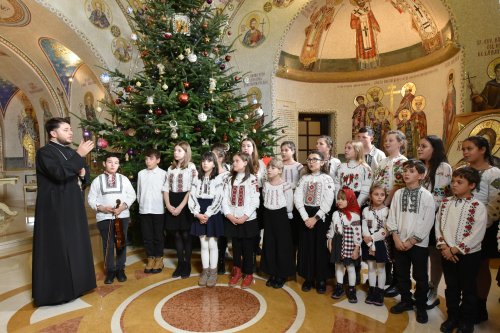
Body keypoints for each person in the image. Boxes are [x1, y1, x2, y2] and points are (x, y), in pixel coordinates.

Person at [32, 117, 96, 307]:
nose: (71, 133)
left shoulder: (69, 151)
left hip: (73, 206)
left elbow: (84, 176)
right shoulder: (44, 153)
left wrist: (84, 174)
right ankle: (59, 292)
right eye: (66, 129)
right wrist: (79, 155)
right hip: (55, 210)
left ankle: (80, 286)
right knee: (59, 247)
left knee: (76, 244)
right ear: (53, 133)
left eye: (70, 129)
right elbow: (59, 174)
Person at [435, 167, 487, 333]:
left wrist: (455, 249)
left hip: (468, 255)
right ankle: (452, 317)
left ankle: (467, 321)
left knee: (468, 288)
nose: (454, 185)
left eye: (459, 182)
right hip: (446, 252)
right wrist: (443, 246)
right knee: (451, 287)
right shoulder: (445, 203)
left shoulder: (478, 206)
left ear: (471, 185)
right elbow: (438, 226)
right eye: (453, 181)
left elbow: (477, 233)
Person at [387, 159, 435, 324]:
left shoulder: (427, 196)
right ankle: (406, 300)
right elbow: (392, 215)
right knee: (401, 274)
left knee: (420, 276)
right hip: (399, 241)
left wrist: (412, 240)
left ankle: (420, 305)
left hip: (418, 244)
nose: (407, 173)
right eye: (406, 170)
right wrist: (395, 237)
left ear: (421, 175)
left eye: (412, 171)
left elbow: (428, 221)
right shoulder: (399, 194)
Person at [461, 136, 500, 323]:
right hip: (462, 224)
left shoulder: (494, 174)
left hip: (485, 226)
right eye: (463, 149)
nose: (465, 152)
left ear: (483, 149)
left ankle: (480, 304)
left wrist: (481, 225)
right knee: (464, 266)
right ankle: (466, 301)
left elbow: (495, 203)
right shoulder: (462, 171)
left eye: (469, 148)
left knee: (481, 266)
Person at [88, 153, 136, 284]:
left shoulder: (124, 179)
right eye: (110, 162)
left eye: (116, 162)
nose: (113, 165)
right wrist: (102, 208)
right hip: (104, 217)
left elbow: (132, 195)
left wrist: (122, 208)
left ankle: (120, 269)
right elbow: (91, 199)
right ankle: (110, 271)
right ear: (104, 163)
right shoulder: (98, 180)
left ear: (119, 165)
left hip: (122, 216)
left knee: (121, 243)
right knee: (108, 245)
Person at [417, 135, 452, 309]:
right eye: (419, 146)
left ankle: (433, 287)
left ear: (435, 148)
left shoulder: (443, 168)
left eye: (424, 146)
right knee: (420, 254)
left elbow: (439, 195)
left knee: (434, 254)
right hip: (417, 217)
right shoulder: (419, 167)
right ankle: (421, 286)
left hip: (434, 217)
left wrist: (424, 213)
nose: (419, 149)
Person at [294, 150, 335, 294]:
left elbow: (328, 200)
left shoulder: (327, 179)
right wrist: (306, 217)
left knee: (320, 249)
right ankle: (308, 277)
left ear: (322, 162)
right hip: (305, 216)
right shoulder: (303, 179)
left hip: (321, 218)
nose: (311, 162)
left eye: (315, 159)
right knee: (306, 247)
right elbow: (297, 197)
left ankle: (321, 279)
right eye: (309, 159)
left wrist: (315, 218)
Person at [373, 130, 408, 297]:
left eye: (391, 140)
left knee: (393, 243)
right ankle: (383, 275)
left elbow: (398, 185)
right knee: (381, 240)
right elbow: (377, 181)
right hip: (379, 203)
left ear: (400, 143)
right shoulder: (383, 161)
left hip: (392, 206)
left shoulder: (403, 162)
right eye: (386, 140)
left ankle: (396, 281)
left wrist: (385, 203)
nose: (387, 143)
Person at [223, 153, 260, 289]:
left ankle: (248, 273)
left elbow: (255, 200)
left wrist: (244, 217)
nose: (234, 163)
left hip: (247, 220)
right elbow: (224, 199)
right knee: (236, 247)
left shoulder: (252, 179)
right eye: (233, 161)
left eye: (237, 161)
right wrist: (229, 215)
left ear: (245, 162)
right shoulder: (229, 179)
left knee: (247, 248)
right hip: (232, 219)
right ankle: (237, 271)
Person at [163, 141, 198, 279]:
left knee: (185, 234)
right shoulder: (170, 168)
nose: (175, 152)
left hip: (185, 201)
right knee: (176, 234)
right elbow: (165, 187)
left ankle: (187, 264)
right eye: (175, 150)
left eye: (179, 150)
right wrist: (168, 204)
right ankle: (180, 263)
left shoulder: (191, 167)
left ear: (186, 152)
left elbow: (192, 188)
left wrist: (181, 206)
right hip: (172, 200)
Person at [189, 152, 224, 287]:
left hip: (212, 213)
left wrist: (208, 214)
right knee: (203, 245)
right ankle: (205, 271)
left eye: (209, 161)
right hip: (199, 212)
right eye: (203, 160)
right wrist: (197, 213)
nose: (205, 163)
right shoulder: (197, 179)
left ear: (214, 164)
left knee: (212, 245)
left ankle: (213, 272)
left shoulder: (218, 179)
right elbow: (192, 197)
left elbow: (218, 199)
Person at [261, 159, 295, 289]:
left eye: (273, 168)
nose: (269, 169)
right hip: (268, 215)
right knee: (269, 243)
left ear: (280, 170)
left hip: (281, 216)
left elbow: (289, 202)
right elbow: (265, 197)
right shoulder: (266, 184)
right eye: (268, 167)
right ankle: (272, 272)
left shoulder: (285, 185)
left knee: (282, 245)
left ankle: (282, 274)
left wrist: (288, 214)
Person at [328, 188, 362, 303]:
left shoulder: (355, 216)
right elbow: (332, 228)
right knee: (338, 266)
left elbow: (358, 233)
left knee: (351, 267)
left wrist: (356, 248)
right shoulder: (335, 214)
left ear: (350, 200)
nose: (339, 201)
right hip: (337, 242)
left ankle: (352, 289)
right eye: (338, 199)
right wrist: (329, 240)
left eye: (343, 199)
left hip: (350, 243)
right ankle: (339, 287)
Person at [137, 149, 167, 274]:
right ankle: (150, 258)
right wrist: (141, 203)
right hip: (144, 209)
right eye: (146, 159)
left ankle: (159, 259)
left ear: (158, 160)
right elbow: (139, 191)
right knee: (147, 236)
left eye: (151, 159)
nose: (148, 161)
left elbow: (166, 192)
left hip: (158, 209)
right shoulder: (141, 174)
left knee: (158, 236)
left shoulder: (164, 174)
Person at [361, 184, 390, 306]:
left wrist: (372, 238)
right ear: (370, 196)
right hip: (368, 243)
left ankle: (380, 291)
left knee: (381, 268)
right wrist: (368, 240)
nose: (379, 197)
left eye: (382, 195)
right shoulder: (366, 210)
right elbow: (364, 226)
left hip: (381, 243)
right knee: (371, 267)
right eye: (376, 194)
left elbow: (385, 230)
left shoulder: (387, 211)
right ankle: (372, 290)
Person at [211, 143, 231, 275]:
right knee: (212, 235)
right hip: (211, 207)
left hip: (224, 207)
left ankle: (221, 261)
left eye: (213, 155)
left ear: (220, 157)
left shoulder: (228, 170)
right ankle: (212, 261)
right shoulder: (209, 170)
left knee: (222, 236)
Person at [280, 141, 304, 253]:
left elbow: (302, 184)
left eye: (286, 150)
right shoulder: (279, 165)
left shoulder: (299, 166)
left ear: (293, 151)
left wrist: (290, 187)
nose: (283, 152)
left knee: (293, 231)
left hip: (294, 202)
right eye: (282, 150)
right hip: (280, 200)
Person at [334, 140, 372, 207]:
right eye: (345, 148)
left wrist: (357, 204)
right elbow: (337, 185)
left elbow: (366, 187)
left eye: (349, 148)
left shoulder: (365, 168)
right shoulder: (341, 167)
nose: (346, 150)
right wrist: (338, 200)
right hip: (342, 198)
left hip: (357, 199)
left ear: (357, 150)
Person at [299, 0, 335, 67]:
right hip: (313, 28)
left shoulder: (332, 10)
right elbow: (312, 19)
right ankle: (304, 57)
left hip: (319, 29)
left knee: (314, 43)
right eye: (328, 1)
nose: (329, 2)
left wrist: (330, 21)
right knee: (308, 42)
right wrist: (314, 12)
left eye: (331, 1)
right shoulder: (322, 8)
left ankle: (311, 58)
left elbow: (327, 23)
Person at [350, 0, 381, 69]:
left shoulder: (368, 10)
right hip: (361, 34)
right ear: (356, 2)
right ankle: (364, 66)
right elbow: (352, 25)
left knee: (371, 47)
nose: (361, 2)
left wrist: (376, 26)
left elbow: (372, 19)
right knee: (362, 47)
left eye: (363, 1)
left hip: (369, 33)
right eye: (360, 1)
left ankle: (372, 64)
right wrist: (359, 20)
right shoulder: (354, 12)